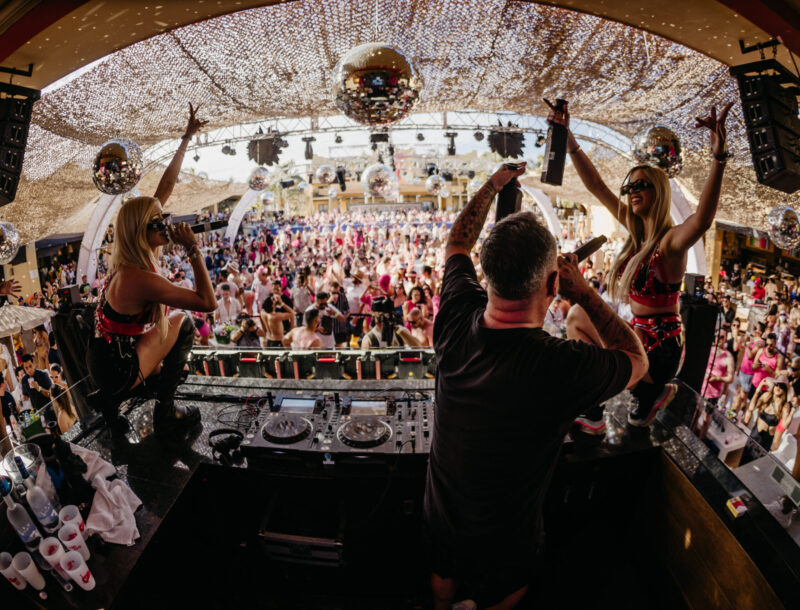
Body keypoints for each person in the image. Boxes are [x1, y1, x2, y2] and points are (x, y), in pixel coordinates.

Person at [425, 165, 647, 609]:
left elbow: (456, 243)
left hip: (442, 506)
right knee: (505, 593)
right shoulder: (559, 365)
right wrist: (583, 291)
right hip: (507, 531)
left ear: (485, 277)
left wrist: (492, 185)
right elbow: (637, 359)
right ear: (552, 284)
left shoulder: (454, 315)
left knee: (443, 570)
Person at [555, 100, 732, 427]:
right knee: (577, 318)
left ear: (659, 190)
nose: (632, 191)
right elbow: (596, 186)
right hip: (638, 337)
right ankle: (633, 395)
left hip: (659, 350)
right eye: (629, 186)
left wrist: (718, 158)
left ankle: (626, 396)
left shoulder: (670, 243)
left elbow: (704, 220)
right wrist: (570, 141)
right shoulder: (637, 235)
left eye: (641, 185)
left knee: (585, 323)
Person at [86, 103, 216, 436]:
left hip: (106, 361)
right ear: (142, 231)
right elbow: (206, 303)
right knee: (183, 324)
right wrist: (192, 250)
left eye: (164, 219)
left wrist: (185, 139)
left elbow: (165, 188)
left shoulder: (134, 260)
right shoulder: (139, 277)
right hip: (118, 369)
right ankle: (166, 411)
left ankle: (120, 398)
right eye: (158, 223)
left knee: (164, 344)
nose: (165, 224)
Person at [701, 331, 735, 406]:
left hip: (713, 394)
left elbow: (730, 378)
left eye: (721, 337)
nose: (718, 338)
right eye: (716, 336)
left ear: (726, 339)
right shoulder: (709, 349)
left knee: (707, 417)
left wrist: (717, 378)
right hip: (700, 388)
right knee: (695, 413)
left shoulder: (728, 357)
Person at [21, 353, 55, 426]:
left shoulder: (43, 374)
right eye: (26, 368)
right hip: (36, 413)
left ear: (34, 364)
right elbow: (26, 397)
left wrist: (39, 388)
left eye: (30, 366)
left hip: (49, 409)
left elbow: (51, 394)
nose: (29, 369)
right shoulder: (24, 380)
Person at [49, 363, 77, 434]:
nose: (54, 379)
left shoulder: (67, 387)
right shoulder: (52, 391)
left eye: (56, 376)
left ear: (60, 374)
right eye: (51, 377)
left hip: (72, 417)